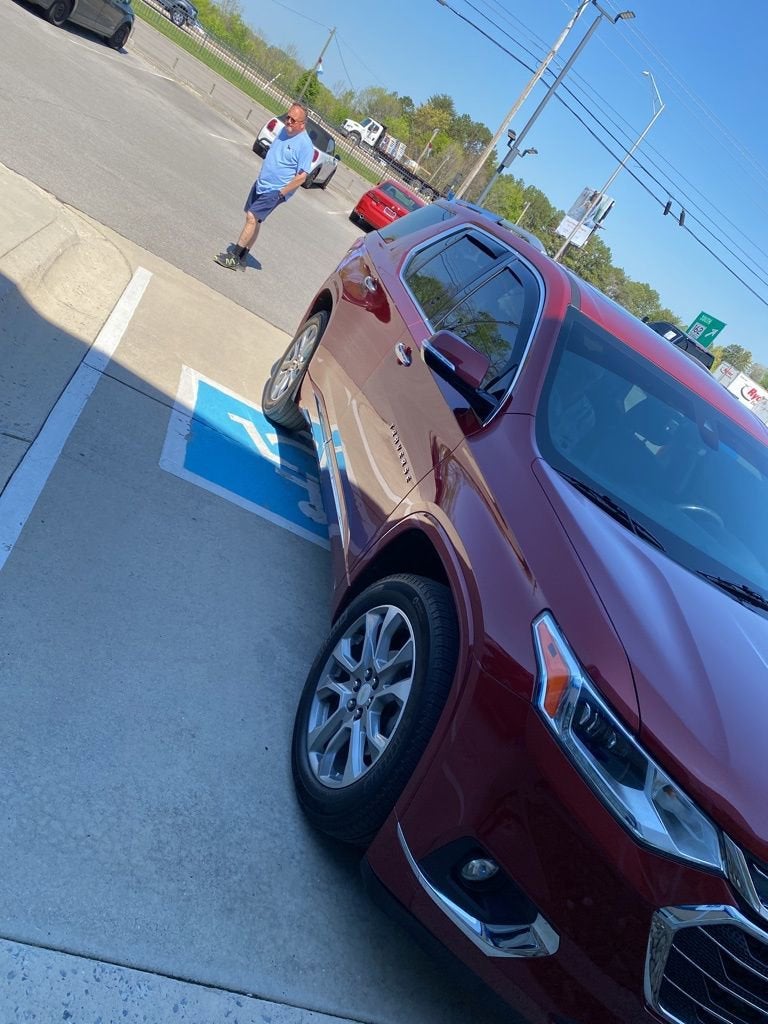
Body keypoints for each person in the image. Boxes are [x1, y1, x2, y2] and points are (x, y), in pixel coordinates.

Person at [213, 102, 314, 271]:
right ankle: (243, 257)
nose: (288, 121)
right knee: (256, 219)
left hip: (276, 190)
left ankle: (233, 257)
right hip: (262, 182)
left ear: (302, 124)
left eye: (293, 120)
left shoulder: (305, 145)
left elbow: (301, 177)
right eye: (287, 117)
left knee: (251, 217)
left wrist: (281, 193)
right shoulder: (284, 130)